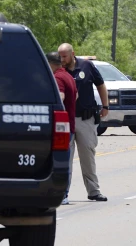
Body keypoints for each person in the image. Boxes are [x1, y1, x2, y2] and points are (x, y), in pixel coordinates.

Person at [58, 43, 109, 201]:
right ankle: (63, 194)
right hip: (66, 120)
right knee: (66, 157)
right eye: (60, 56)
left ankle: (93, 191)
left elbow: (100, 85)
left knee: (88, 157)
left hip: (85, 119)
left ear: (73, 54)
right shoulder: (59, 71)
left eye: (65, 56)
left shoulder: (86, 66)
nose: (62, 59)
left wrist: (105, 105)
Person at [46, 52, 78, 205]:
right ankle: (64, 193)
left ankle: (63, 194)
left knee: (59, 162)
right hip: (70, 125)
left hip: (62, 127)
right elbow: (76, 96)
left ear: (50, 63)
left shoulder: (58, 78)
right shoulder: (68, 76)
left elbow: (60, 98)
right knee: (65, 161)